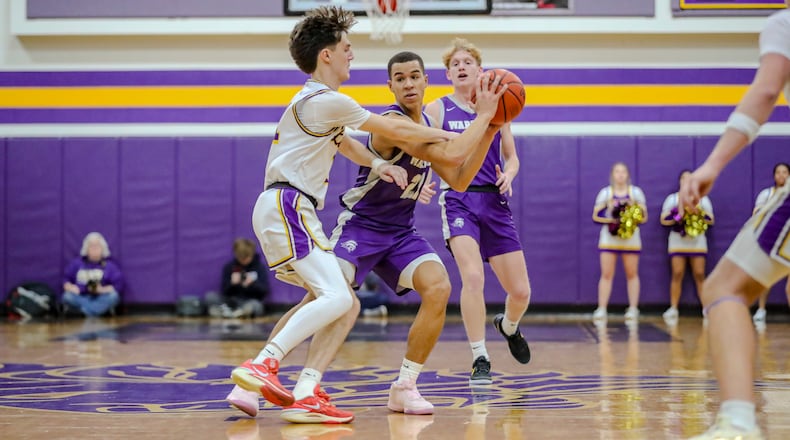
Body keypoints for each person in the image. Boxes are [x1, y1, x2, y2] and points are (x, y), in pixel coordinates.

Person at [227, 6, 504, 423]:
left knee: (432, 287)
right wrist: (484, 118)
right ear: (390, 85)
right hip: (355, 224)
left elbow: (459, 177)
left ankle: (402, 385)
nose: (351, 54)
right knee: (331, 298)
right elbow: (448, 149)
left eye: (415, 76)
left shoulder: (326, 105)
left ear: (427, 80)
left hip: (398, 231)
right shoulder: (377, 116)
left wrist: (490, 128)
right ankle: (263, 373)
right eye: (347, 47)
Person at [679, 7, 790, 439]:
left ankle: (739, 423)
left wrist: (712, 165)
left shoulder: (783, 23)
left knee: (724, 287)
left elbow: (765, 93)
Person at [423, 37, 532, 386]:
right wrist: (420, 181)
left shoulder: (500, 108)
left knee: (521, 293)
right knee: (472, 278)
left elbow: (512, 157)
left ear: (480, 69)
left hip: (493, 201)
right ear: (448, 74)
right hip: (458, 199)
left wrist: (510, 174)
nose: (461, 67)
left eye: (467, 61)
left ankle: (508, 325)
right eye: (454, 63)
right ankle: (480, 356)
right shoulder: (439, 109)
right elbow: (423, 148)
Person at [591, 162, 648, 324]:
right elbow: (595, 216)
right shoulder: (606, 193)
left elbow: (644, 217)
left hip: (631, 238)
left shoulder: (636, 193)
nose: (620, 174)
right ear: (612, 175)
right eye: (617, 171)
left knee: (632, 273)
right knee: (607, 274)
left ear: (628, 175)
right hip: (609, 239)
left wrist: (632, 207)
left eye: (624, 171)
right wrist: (611, 217)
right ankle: (602, 309)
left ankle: (633, 308)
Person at [660, 170, 714, 325]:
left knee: (699, 273)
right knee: (677, 273)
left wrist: (697, 214)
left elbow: (711, 219)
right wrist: (679, 215)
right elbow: (663, 219)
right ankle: (673, 308)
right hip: (678, 240)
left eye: (690, 179)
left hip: (697, 240)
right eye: (684, 178)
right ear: (680, 181)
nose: (686, 182)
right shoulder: (672, 199)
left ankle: (706, 308)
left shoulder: (703, 199)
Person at [751, 162, 790, 325]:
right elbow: (757, 214)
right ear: (774, 176)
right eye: (778, 172)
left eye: (785, 172)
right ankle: (761, 309)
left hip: (788, 242)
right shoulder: (766, 194)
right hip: (771, 240)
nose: (781, 175)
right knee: (765, 277)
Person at [61, 232, 123, 318]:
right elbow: (65, 279)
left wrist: (102, 289)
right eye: (91, 246)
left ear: (103, 248)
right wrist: (71, 287)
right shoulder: (77, 263)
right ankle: (96, 312)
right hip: (81, 296)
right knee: (67, 296)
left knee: (113, 296)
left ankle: (85, 312)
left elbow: (118, 285)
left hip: (100, 297)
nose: (94, 249)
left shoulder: (110, 266)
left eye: (97, 246)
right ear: (86, 248)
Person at [207, 238, 269, 319]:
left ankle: (239, 312)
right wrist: (232, 284)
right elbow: (224, 291)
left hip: (249, 300)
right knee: (210, 296)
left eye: (246, 257)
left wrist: (252, 284)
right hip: (231, 301)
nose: (243, 261)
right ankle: (230, 311)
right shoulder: (229, 267)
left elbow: (264, 291)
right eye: (241, 258)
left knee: (256, 305)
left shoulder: (259, 267)